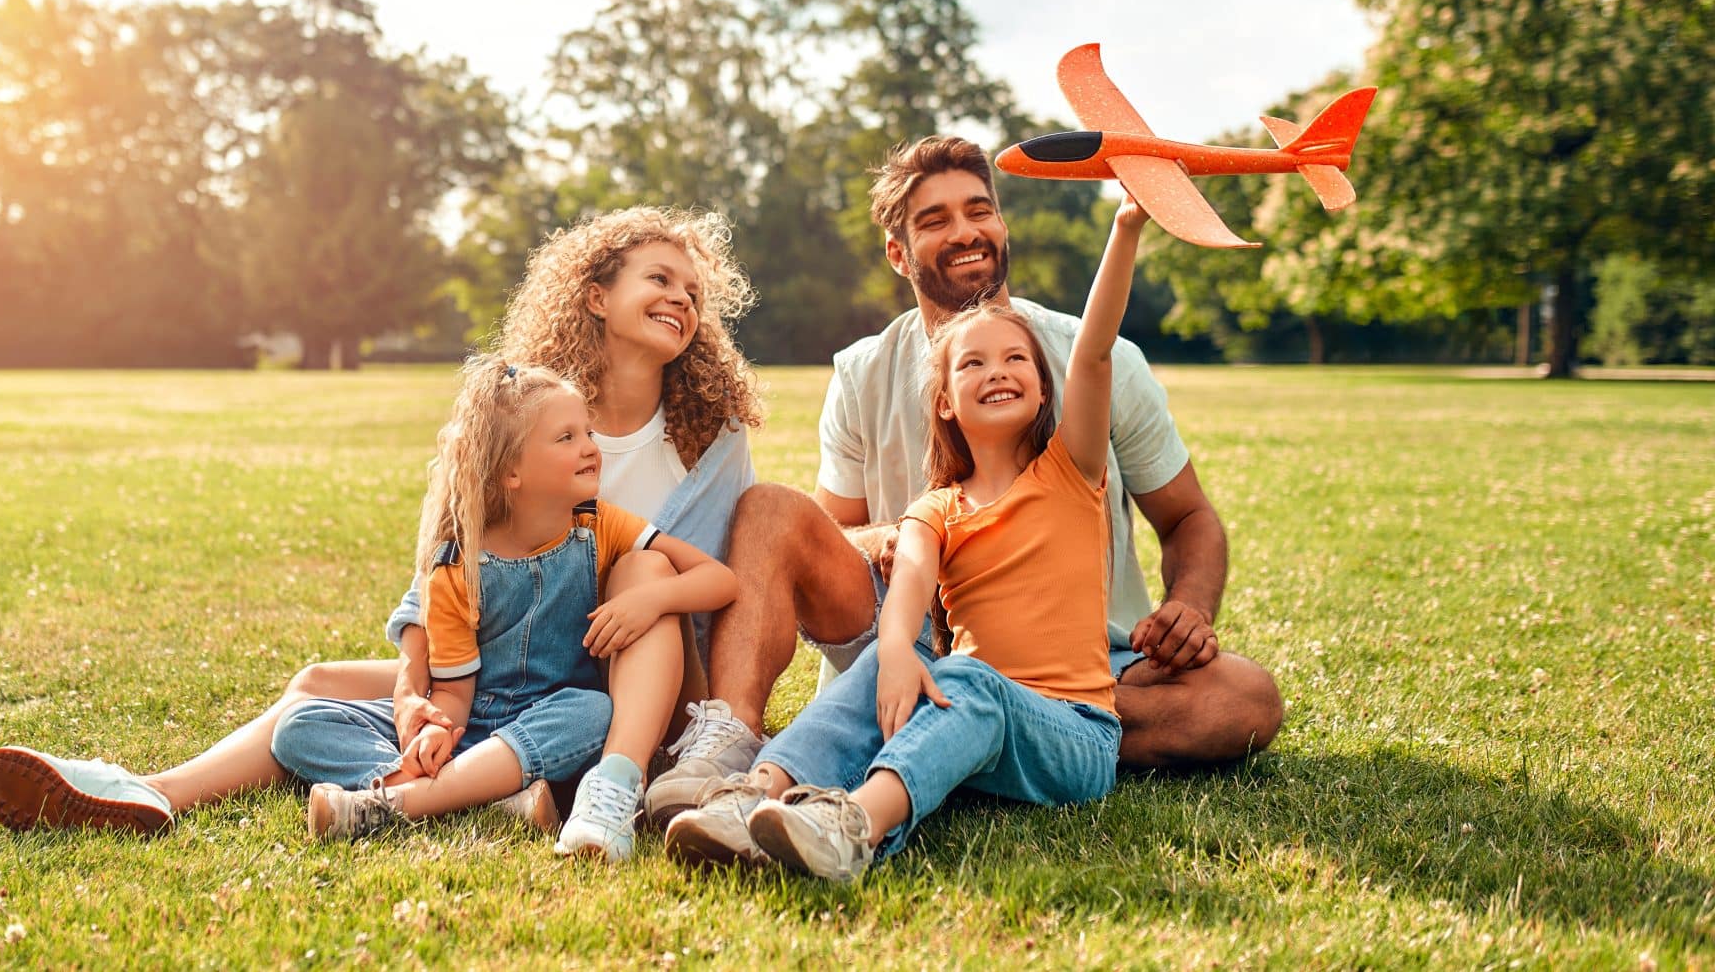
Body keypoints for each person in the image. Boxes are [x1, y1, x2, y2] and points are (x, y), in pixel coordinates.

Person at [0, 207, 764, 842]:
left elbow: (707, 580)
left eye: (695, 292)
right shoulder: (526, 417)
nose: (683, 300)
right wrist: (415, 698)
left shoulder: (707, 436)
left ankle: (468, 791)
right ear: (595, 295)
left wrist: (650, 614)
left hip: (618, 681)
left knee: (640, 574)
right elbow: (446, 571)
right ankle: (156, 792)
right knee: (313, 688)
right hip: (489, 672)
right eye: (660, 278)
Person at [646, 138, 1280, 829]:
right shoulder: (865, 374)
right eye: (935, 219)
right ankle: (737, 754)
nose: (966, 231)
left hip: (1086, 657)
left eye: (980, 210)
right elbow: (830, 537)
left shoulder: (1090, 367)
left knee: (1245, 699)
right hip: (909, 630)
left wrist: (1189, 606)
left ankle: (972, 731)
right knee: (769, 509)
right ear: (898, 252)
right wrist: (894, 539)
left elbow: (1189, 516)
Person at [666, 193, 1151, 879]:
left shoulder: (1072, 472)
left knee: (966, 678)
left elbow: (1096, 349)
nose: (998, 371)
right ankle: (754, 796)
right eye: (974, 363)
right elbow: (910, 586)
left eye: (1016, 359)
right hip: (970, 722)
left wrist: (1126, 226)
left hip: (1073, 737)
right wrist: (894, 649)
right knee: (891, 665)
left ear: (1046, 389)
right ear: (946, 400)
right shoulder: (936, 508)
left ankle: (852, 824)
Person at [277, 357, 736, 859]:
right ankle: (455, 794)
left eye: (588, 432)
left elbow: (720, 580)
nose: (590, 448)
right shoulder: (458, 565)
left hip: (553, 721)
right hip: (475, 728)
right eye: (566, 438)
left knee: (594, 710)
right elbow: (454, 692)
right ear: (509, 473)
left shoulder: (600, 525)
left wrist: (653, 598)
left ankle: (400, 802)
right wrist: (435, 729)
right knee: (300, 724)